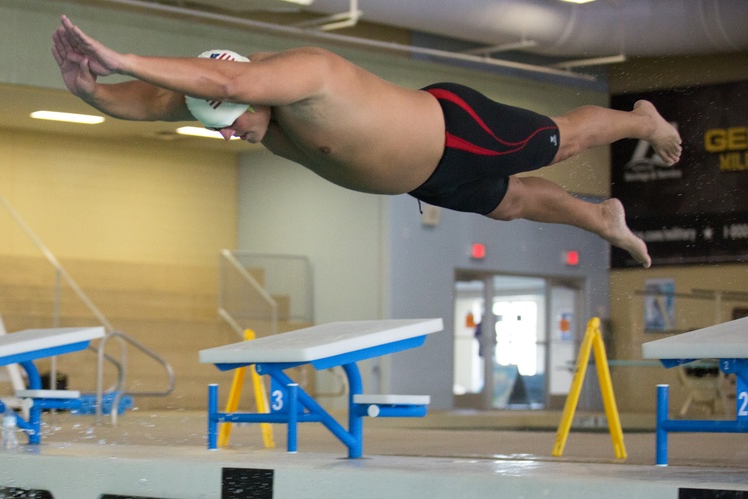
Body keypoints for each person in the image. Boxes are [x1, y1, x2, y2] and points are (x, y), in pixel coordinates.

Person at [52, 15, 682, 268]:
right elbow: (167, 100)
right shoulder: (235, 102)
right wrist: (92, 91)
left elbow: (224, 77)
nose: (233, 135)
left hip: (455, 128)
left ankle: (643, 120)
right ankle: (600, 217)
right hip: (425, 176)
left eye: (233, 122)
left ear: (248, 92)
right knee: (512, 203)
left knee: (564, 143)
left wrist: (125, 55)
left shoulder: (304, 74)